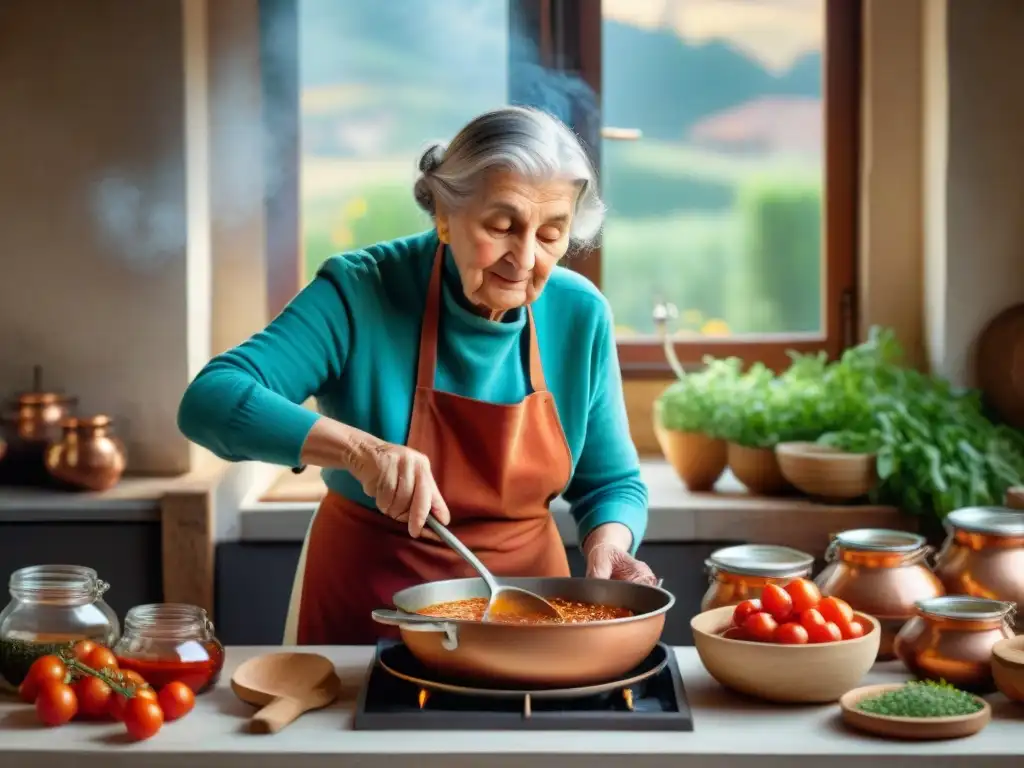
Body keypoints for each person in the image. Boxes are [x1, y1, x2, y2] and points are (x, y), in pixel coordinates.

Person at [178, 106, 656, 645]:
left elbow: (611, 483)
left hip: (527, 617)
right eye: (501, 227)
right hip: (369, 612)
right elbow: (211, 400)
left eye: (550, 234)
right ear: (444, 216)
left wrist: (610, 543)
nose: (523, 258)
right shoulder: (362, 290)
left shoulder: (580, 313)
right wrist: (363, 452)